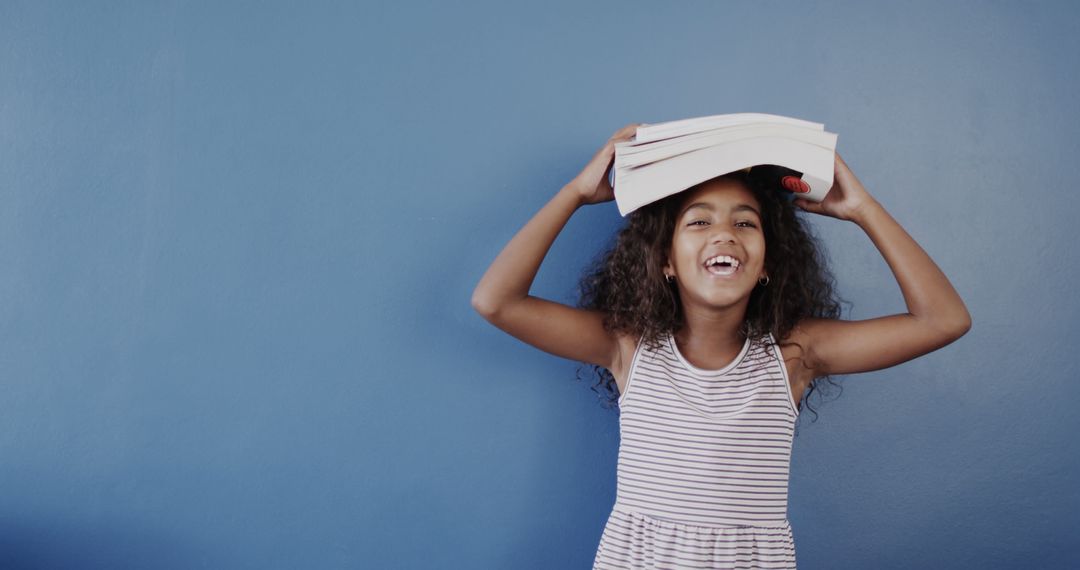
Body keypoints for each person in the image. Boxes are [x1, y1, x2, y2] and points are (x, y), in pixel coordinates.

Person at [471, 123, 971, 569]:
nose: (725, 234)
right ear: (664, 261)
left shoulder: (794, 354)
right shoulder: (629, 347)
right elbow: (496, 301)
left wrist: (863, 209)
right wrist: (576, 193)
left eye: (745, 222)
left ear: (769, 263)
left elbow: (943, 321)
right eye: (699, 221)